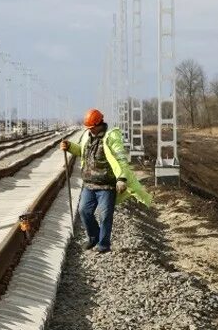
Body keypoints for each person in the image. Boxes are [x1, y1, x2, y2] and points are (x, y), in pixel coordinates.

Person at [60, 108, 151, 254]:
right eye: (88, 128)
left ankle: (103, 245)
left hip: (106, 186)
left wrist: (121, 178)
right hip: (89, 184)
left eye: (92, 128)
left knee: (105, 215)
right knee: (84, 211)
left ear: (99, 124)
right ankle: (94, 237)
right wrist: (70, 147)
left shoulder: (111, 137)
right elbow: (81, 152)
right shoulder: (87, 136)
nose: (90, 130)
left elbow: (121, 159)